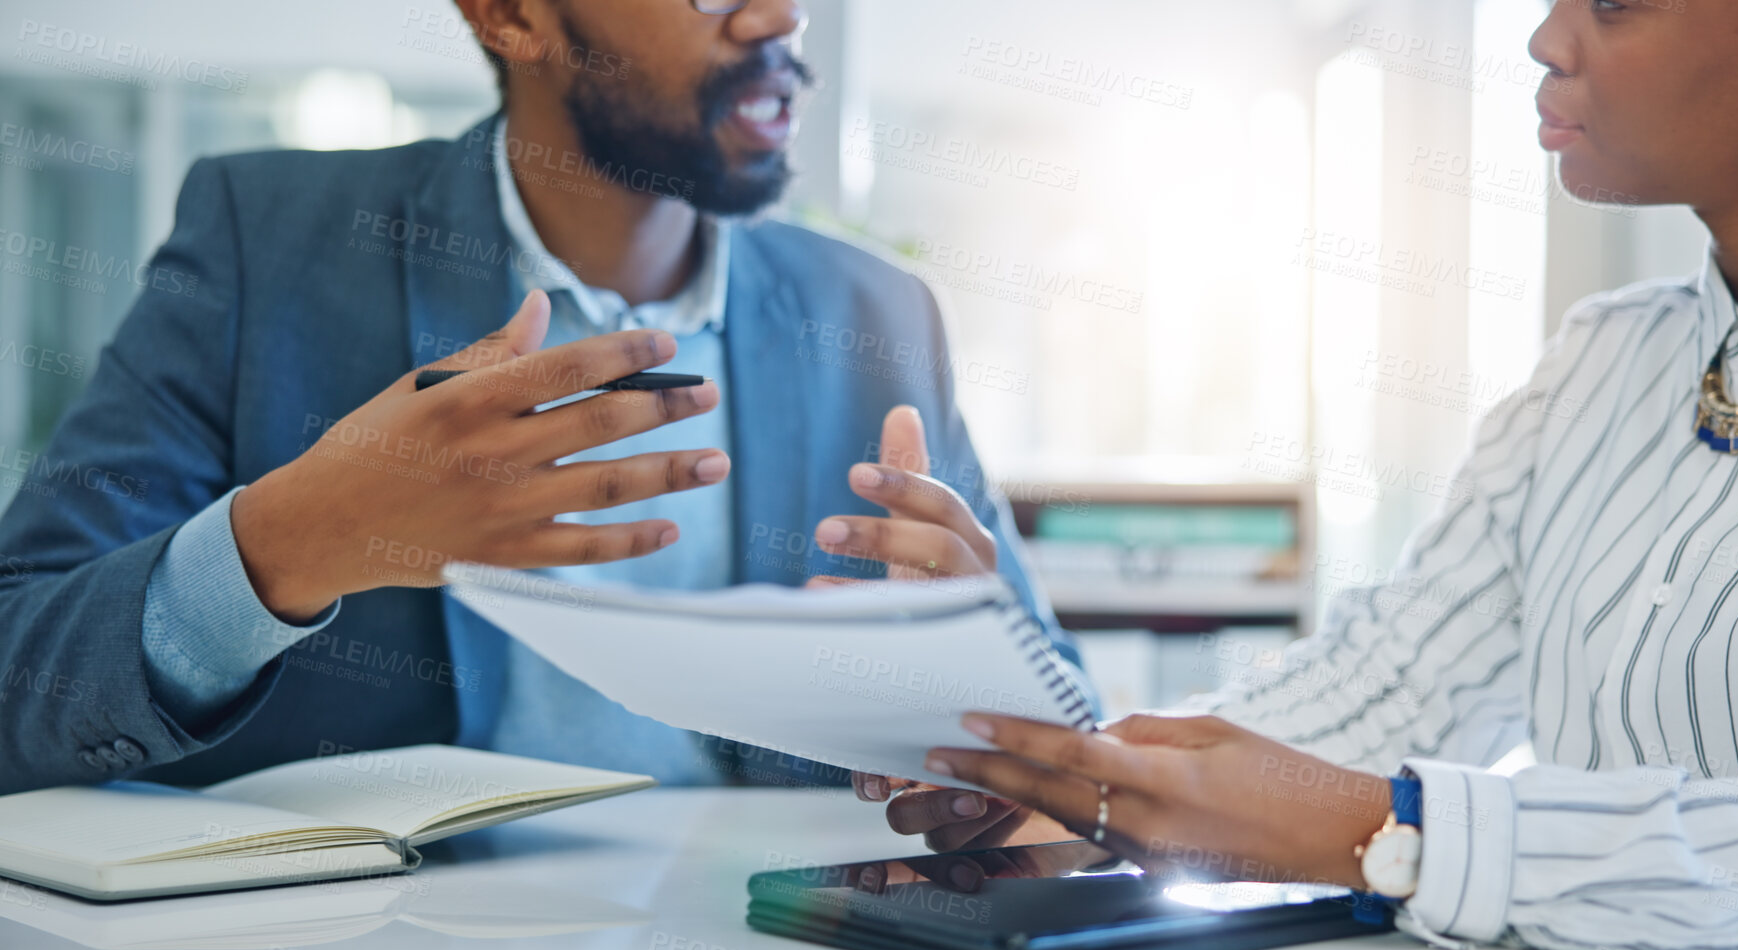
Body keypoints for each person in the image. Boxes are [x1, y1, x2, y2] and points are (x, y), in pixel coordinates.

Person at [850, 0, 1738, 950]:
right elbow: (1397, 678)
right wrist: (1077, 784)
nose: (1546, 36)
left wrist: (1389, 831)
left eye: (1616, 2)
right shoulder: (1604, 361)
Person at [0, 0, 1075, 795]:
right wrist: (282, 548)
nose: (780, 18)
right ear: (511, 16)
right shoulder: (264, 240)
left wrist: (979, 703)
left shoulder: (874, 315)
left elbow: (1064, 735)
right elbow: (18, 671)